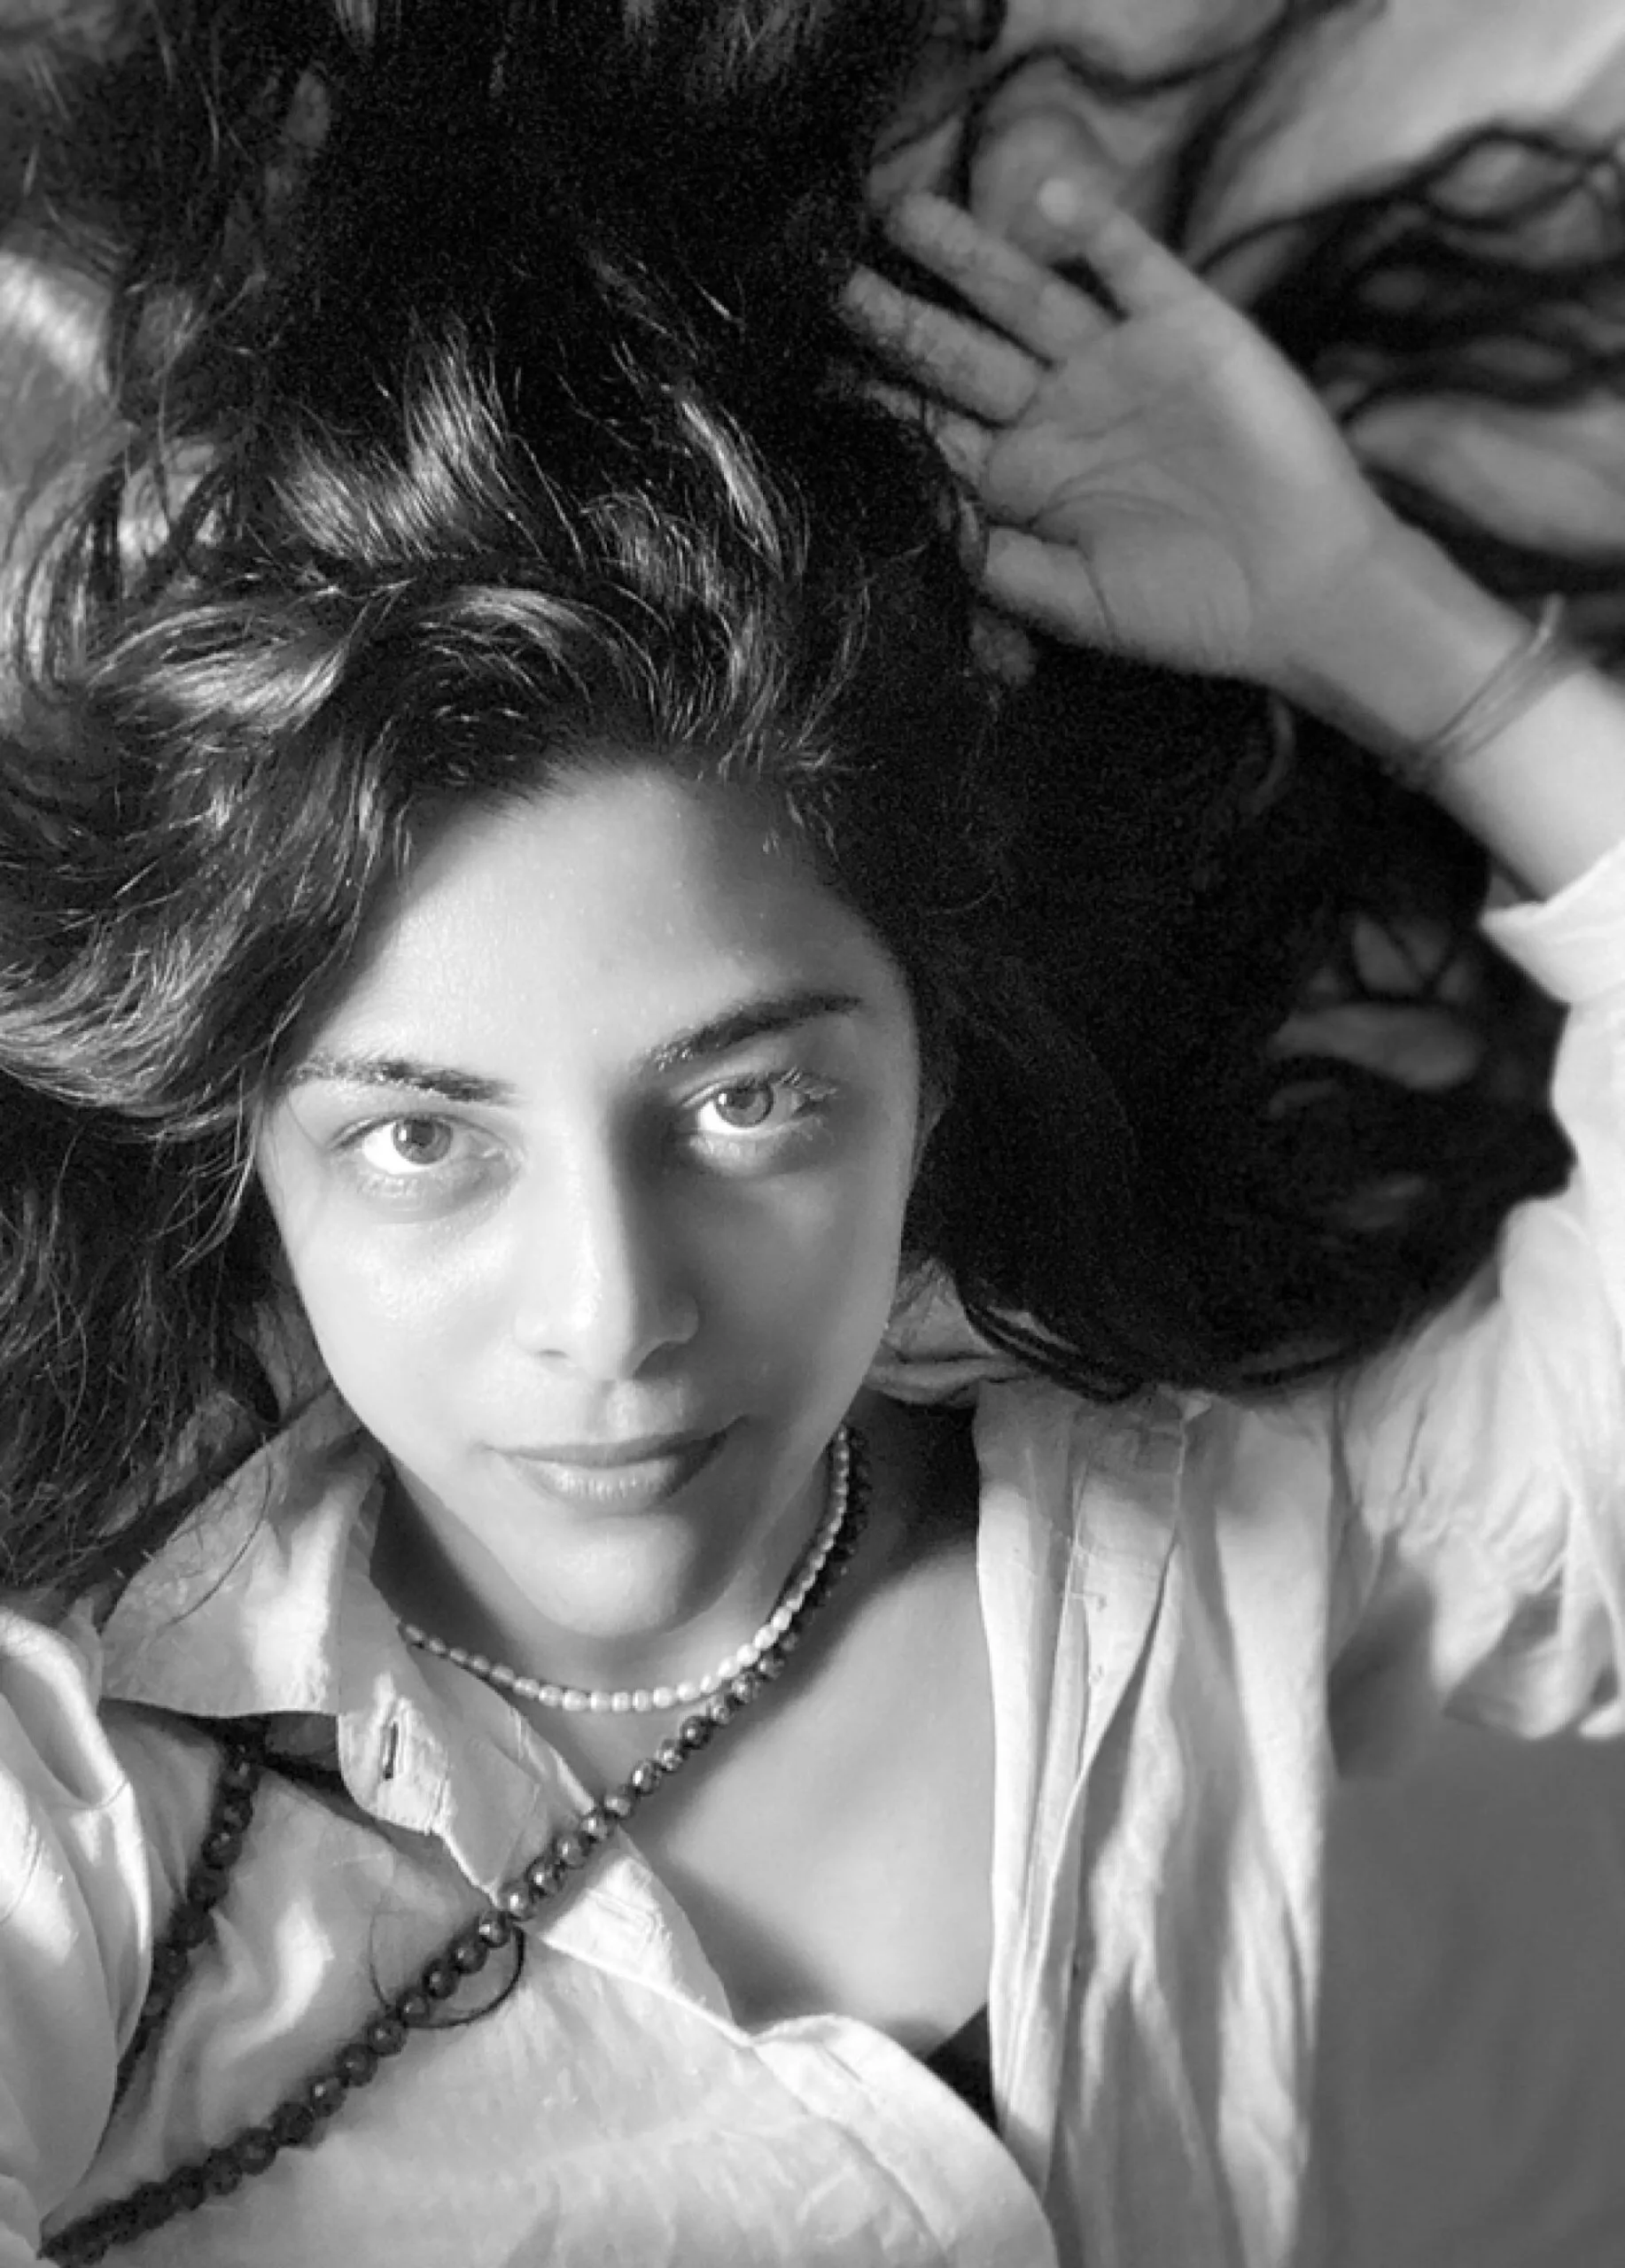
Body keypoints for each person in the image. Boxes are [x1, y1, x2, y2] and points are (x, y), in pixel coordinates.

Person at [4, 5, 1625, 2264]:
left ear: (934, 1067)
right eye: (419, 1141)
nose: (613, 1317)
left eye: (745, 1097)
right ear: (245, 1156)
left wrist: (1374, 623)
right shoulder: (82, 1783)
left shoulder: (1244, 1547)